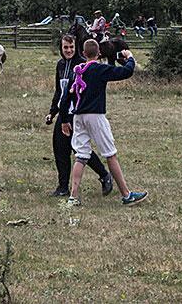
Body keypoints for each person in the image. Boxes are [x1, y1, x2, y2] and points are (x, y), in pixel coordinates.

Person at [60, 39, 147, 206]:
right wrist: (130, 57)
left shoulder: (77, 71)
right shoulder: (100, 69)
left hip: (78, 117)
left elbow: (66, 97)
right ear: (99, 53)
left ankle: (73, 197)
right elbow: (126, 72)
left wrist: (64, 119)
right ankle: (126, 195)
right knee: (110, 154)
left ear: (83, 54)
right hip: (95, 115)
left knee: (81, 155)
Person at [45, 34, 112, 197]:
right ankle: (63, 187)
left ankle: (104, 175)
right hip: (63, 112)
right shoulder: (60, 65)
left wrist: (71, 115)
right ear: (61, 48)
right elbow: (59, 91)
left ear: (76, 48)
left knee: (80, 149)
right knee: (60, 149)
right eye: (65, 47)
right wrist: (52, 112)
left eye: (71, 47)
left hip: (76, 113)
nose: (68, 50)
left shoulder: (81, 65)